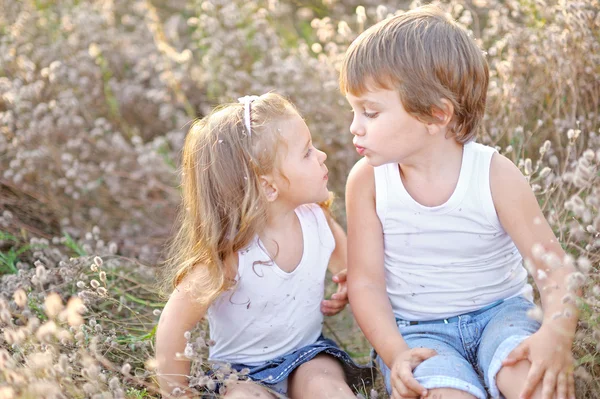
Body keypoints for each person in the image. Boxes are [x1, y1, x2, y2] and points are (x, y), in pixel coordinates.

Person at [340, 5, 578, 399]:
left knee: (533, 385)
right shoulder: (367, 182)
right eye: (353, 110)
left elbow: (555, 271)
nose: (355, 126)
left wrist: (555, 333)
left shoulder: (494, 175)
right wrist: (396, 353)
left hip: (502, 315)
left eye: (370, 112)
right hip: (418, 331)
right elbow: (365, 283)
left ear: (436, 115)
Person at [155, 93, 371, 398]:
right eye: (307, 152)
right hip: (239, 373)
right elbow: (173, 323)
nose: (322, 155)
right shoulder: (231, 257)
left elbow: (344, 258)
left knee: (326, 388)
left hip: (307, 356)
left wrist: (347, 280)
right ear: (269, 186)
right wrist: (177, 392)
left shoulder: (315, 218)